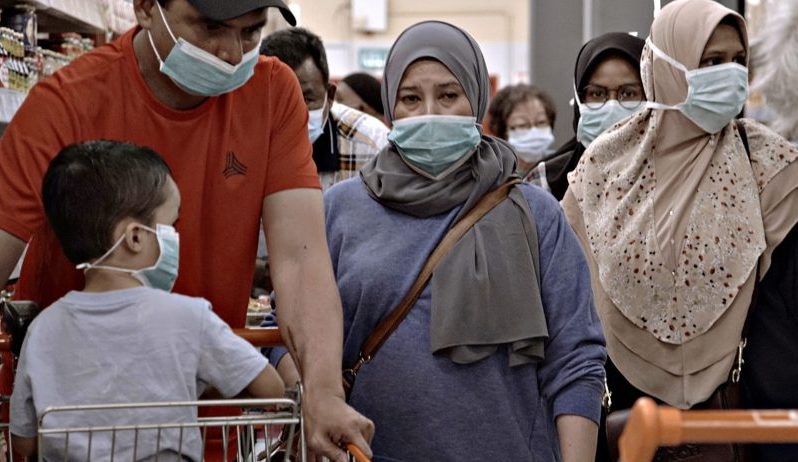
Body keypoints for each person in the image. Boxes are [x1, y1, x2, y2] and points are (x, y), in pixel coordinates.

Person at [0, 0, 373, 459]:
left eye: (251, 32)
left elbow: (301, 260)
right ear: (145, 8)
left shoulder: (273, 92)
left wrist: (324, 391)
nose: (232, 53)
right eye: (211, 27)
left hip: (206, 423)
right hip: (76, 425)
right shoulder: (66, 102)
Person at [318, 20, 606, 461]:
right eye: (411, 99)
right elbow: (292, 332)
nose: (430, 112)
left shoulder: (535, 214)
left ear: (476, 98)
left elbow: (575, 359)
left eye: (449, 95)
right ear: (390, 108)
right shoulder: (340, 210)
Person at [561, 1, 798, 460]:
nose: (730, 75)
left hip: (745, 412)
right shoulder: (602, 170)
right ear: (667, 67)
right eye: (711, 62)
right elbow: (571, 309)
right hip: (624, 413)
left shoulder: (770, 166)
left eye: (738, 61)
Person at [10, 140, 285, 461]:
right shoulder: (188, 317)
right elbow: (272, 389)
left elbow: (24, 442)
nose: (175, 237)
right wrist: (190, 384)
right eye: (170, 225)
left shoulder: (43, 329)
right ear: (135, 237)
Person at [260, 28, 388, 191]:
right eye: (278, 100)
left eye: (306, 99)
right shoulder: (240, 142)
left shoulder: (372, 145)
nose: (292, 114)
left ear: (330, 97)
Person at [546, 32, 645, 200]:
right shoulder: (545, 184)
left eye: (628, 93)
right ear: (579, 100)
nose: (612, 107)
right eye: (597, 94)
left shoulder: (675, 177)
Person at [487, 84, 557, 188]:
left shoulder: (561, 165)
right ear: (503, 131)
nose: (534, 132)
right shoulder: (493, 176)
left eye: (541, 122)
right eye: (522, 125)